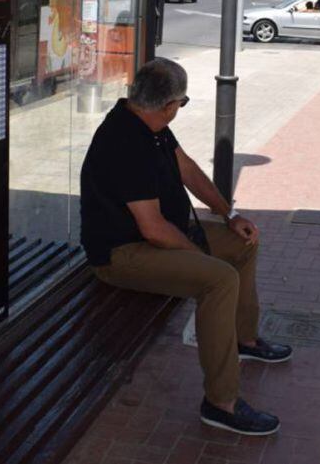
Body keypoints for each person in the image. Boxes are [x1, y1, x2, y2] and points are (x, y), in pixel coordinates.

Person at [80, 58, 290, 436]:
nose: (179, 108)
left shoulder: (151, 126)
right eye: (183, 102)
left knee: (243, 243)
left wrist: (229, 215)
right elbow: (154, 230)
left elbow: (188, 170)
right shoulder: (125, 141)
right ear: (170, 106)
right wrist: (201, 259)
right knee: (219, 279)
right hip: (122, 255)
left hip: (158, 237)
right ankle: (221, 403)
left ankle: (245, 339)